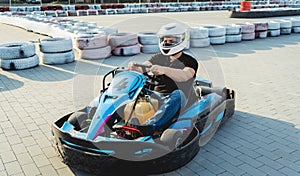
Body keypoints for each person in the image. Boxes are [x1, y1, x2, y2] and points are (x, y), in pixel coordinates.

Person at [128, 23, 198, 134]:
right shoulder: (158, 57)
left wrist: (164, 70)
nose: (167, 43)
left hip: (178, 97)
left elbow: (185, 76)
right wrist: (135, 67)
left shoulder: (189, 61)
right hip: (156, 95)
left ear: (181, 40)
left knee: (178, 94)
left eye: (171, 41)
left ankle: (150, 126)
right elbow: (144, 67)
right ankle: (107, 120)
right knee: (132, 91)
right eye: (165, 40)